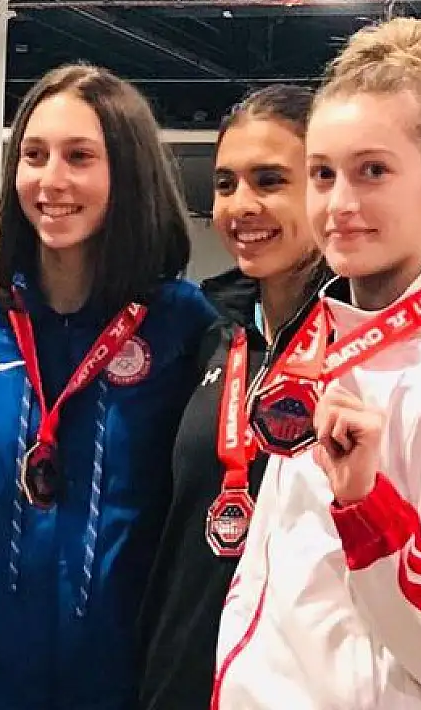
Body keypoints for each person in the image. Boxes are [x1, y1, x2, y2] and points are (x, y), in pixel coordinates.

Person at [212, 18, 421, 710]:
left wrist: (366, 506)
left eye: (373, 171)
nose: (340, 204)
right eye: (323, 174)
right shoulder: (318, 348)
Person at [0, 63, 217, 710]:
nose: (51, 180)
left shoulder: (181, 324)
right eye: (34, 155)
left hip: (124, 684)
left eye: (80, 157)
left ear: (127, 173)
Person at [137, 84, 331, 710]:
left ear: (326, 186)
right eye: (225, 184)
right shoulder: (209, 334)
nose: (241, 205)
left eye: (270, 181)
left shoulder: (368, 350)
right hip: (181, 682)